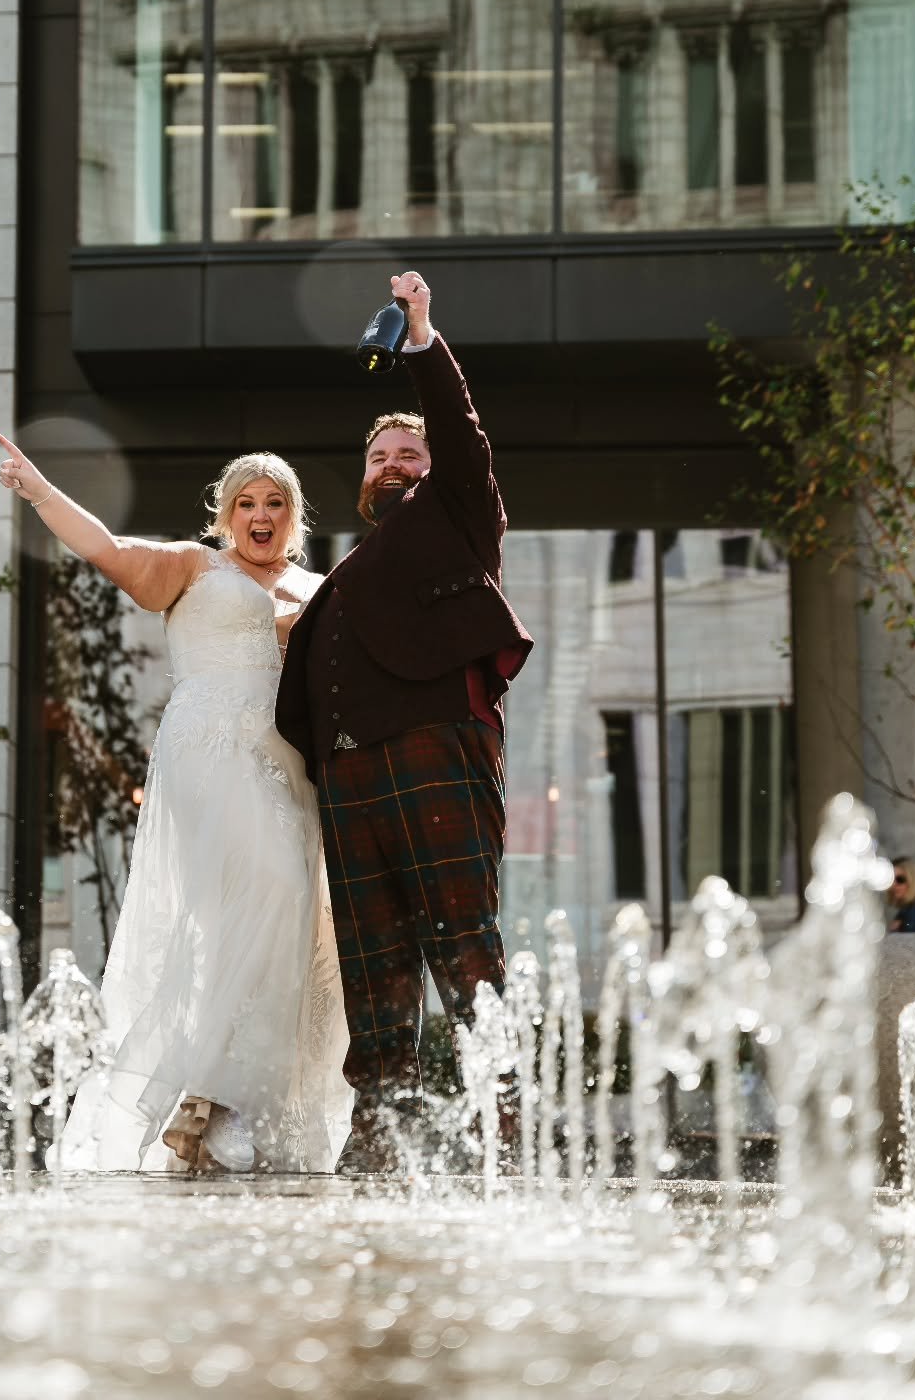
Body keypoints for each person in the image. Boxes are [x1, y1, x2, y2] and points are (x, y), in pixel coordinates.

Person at [0, 431, 353, 1174]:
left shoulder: (321, 589)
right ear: (226, 515)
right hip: (207, 751)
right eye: (246, 502)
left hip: (288, 763)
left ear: (295, 515)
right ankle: (215, 1094)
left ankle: (211, 1104)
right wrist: (39, 491)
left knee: (280, 921)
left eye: (275, 501)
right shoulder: (197, 566)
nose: (261, 513)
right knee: (275, 889)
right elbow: (107, 547)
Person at [276, 270, 534, 1171]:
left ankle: (502, 1128)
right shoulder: (346, 574)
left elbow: (460, 436)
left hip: (435, 748)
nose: (392, 464)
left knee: (463, 947)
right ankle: (378, 1134)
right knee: (372, 960)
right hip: (348, 777)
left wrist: (422, 337)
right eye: (379, 457)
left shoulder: (461, 516)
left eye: (406, 456)